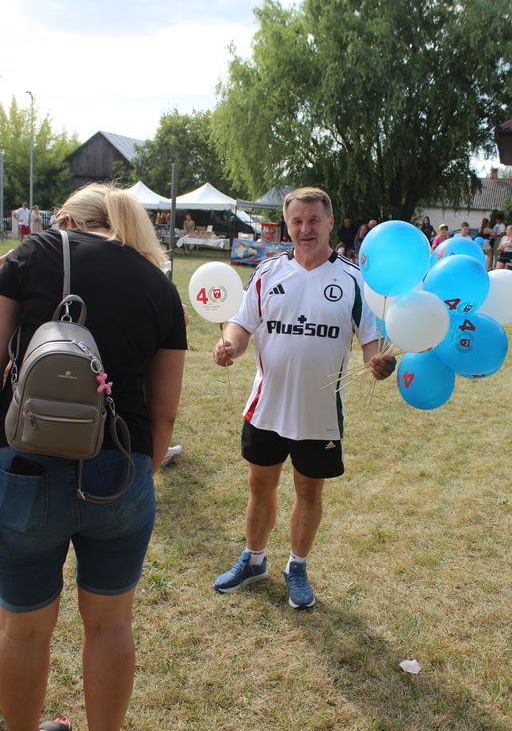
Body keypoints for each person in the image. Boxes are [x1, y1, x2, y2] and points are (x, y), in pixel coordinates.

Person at [0, 183, 186, 731]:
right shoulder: (158, 284)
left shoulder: (34, 253)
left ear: (67, 221)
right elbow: (165, 413)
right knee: (110, 625)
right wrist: (141, 472)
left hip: (26, 464)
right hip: (121, 467)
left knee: (23, 629)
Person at [211, 187, 396, 609]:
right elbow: (242, 324)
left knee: (309, 491)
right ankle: (253, 559)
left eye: (313, 220)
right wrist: (229, 346)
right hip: (267, 407)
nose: (305, 229)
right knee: (260, 486)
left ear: (330, 221)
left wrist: (378, 362)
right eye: (297, 221)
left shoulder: (354, 280)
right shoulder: (268, 272)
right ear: (286, 225)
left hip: (319, 414)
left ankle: (297, 566)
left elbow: (371, 343)